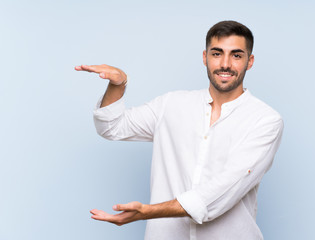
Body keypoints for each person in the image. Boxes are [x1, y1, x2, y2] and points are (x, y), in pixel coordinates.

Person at [75, 20, 284, 240]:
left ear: (249, 61)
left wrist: (149, 212)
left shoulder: (265, 120)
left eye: (236, 55)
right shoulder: (171, 105)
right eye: (216, 53)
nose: (225, 64)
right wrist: (117, 86)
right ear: (205, 57)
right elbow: (112, 127)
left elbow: (220, 192)